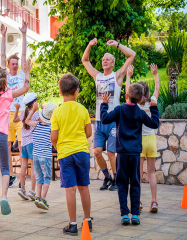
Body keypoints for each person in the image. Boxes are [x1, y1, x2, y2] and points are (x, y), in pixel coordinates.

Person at [100, 83, 159, 226]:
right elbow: (154, 123)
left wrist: (104, 104)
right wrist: (153, 107)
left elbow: (104, 119)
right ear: (140, 100)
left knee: (121, 184)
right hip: (135, 154)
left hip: (121, 154)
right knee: (135, 183)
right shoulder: (140, 112)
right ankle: (136, 215)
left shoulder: (119, 110)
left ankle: (125, 214)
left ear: (126, 96)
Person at [82, 38, 136, 191]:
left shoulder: (117, 76)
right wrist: (89, 45)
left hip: (113, 121)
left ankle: (118, 180)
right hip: (99, 122)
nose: (104, 61)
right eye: (103, 59)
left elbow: (132, 55)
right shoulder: (97, 76)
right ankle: (107, 177)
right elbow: (85, 60)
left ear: (113, 63)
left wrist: (118, 45)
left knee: (112, 153)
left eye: (108, 59)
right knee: (97, 152)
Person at [0, 60, 32, 215]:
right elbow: (26, 88)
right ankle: (3, 196)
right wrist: (27, 71)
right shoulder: (8, 95)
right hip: (0, 136)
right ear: (5, 83)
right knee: (4, 168)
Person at [50, 73, 93, 235]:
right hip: (82, 152)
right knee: (84, 187)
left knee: (70, 189)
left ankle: (73, 225)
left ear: (60, 93)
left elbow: (53, 137)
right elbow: (88, 132)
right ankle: (87, 222)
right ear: (77, 92)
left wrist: (59, 145)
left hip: (65, 154)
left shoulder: (57, 112)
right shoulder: (82, 109)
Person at [126, 64, 160, 213]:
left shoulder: (135, 104)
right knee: (151, 173)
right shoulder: (152, 101)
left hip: (139, 141)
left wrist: (128, 76)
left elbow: (128, 91)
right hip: (151, 140)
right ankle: (154, 201)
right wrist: (155, 74)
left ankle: (138, 200)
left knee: (138, 174)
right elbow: (157, 89)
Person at [1, 21, 28, 187]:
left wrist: (24, 34)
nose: (16, 65)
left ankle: (22, 179)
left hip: (21, 114)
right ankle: (11, 176)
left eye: (17, 63)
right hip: (7, 115)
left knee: (23, 147)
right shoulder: (5, 75)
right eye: (13, 63)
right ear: (8, 66)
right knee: (8, 148)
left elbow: (24, 55)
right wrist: (3, 36)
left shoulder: (21, 75)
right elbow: (2, 56)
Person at [25, 101, 56, 211]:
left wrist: (33, 110)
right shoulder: (51, 127)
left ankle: (38, 198)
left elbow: (26, 121)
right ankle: (43, 199)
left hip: (36, 156)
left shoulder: (36, 124)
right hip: (45, 156)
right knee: (47, 178)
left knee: (39, 178)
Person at [12, 92, 38, 201]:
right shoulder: (36, 114)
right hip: (32, 143)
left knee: (23, 166)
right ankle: (32, 191)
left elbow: (14, 120)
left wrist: (17, 109)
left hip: (23, 143)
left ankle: (22, 189)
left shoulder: (24, 113)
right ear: (34, 103)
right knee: (33, 168)